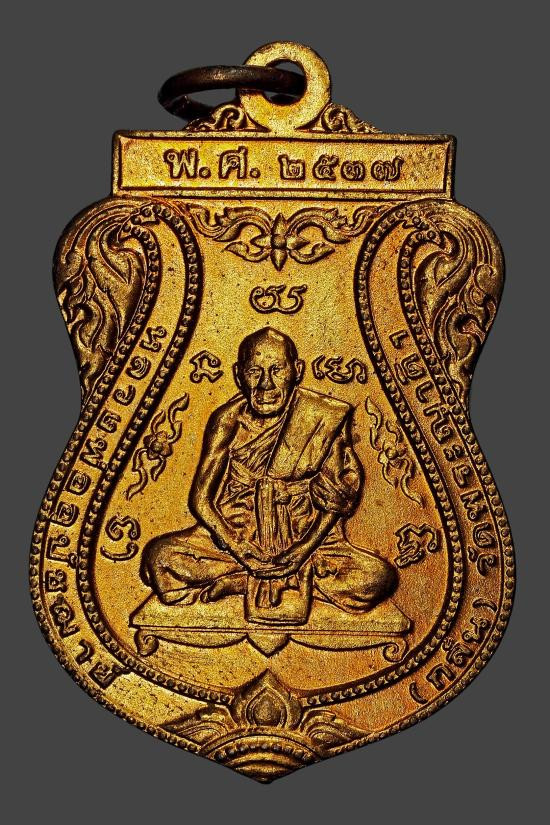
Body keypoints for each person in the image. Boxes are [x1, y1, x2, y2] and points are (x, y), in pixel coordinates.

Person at [141, 327, 397, 616]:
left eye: (277, 370)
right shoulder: (227, 420)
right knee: (159, 559)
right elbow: (200, 500)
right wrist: (238, 546)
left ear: (297, 371)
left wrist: (301, 552)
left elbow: (334, 501)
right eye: (254, 372)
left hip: (308, 541)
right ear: (238, 375)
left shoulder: (322, 416)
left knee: (378, 579)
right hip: (238, 535)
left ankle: (246, 582)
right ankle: (262, 579)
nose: (266, 385)